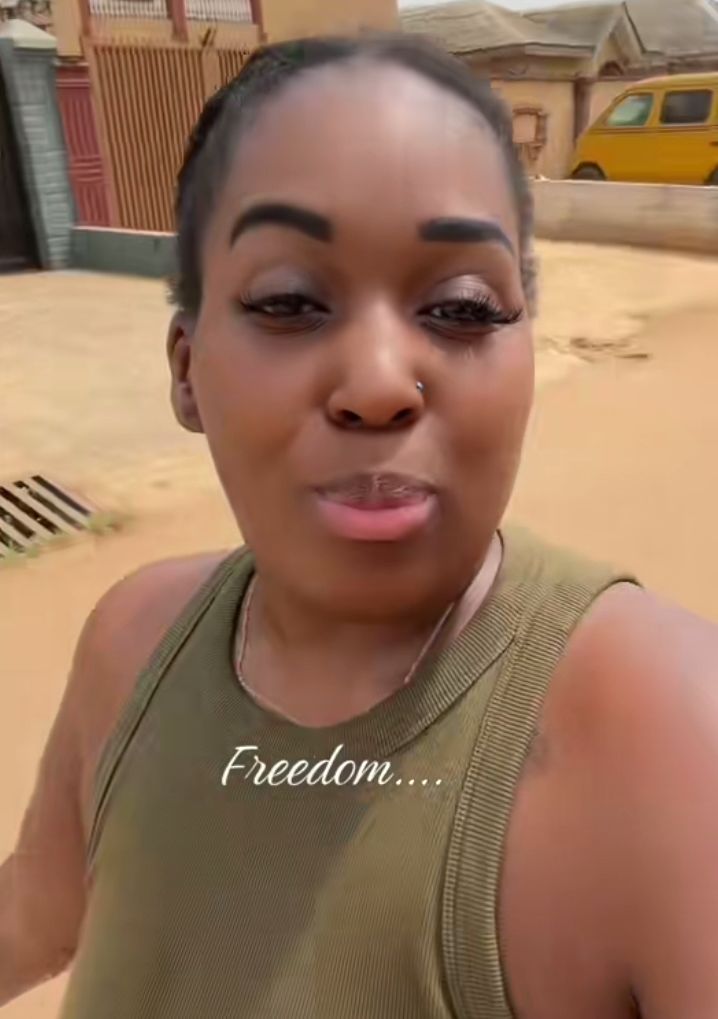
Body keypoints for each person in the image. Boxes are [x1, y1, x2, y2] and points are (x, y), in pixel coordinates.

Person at [2, 33, 718, 1019]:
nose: (380, 382)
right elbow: (39, 911)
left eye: (462, 307)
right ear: (186, 369)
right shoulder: (133, 644)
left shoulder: (669, 733)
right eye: (290, 300)